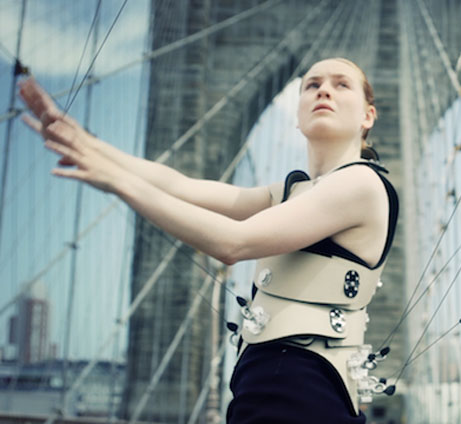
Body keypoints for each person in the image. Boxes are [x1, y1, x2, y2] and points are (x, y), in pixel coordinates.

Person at [19, 57, 399, 423]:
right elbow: (180, 186)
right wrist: (86, 144)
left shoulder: (362, 183)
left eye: (341, 84)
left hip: (306, 387)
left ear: (368, 116)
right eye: (311, 85)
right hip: (262, 380)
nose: (324, 91)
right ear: (297, 116)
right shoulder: (290, 191)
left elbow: (232, 242)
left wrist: (116, 181)